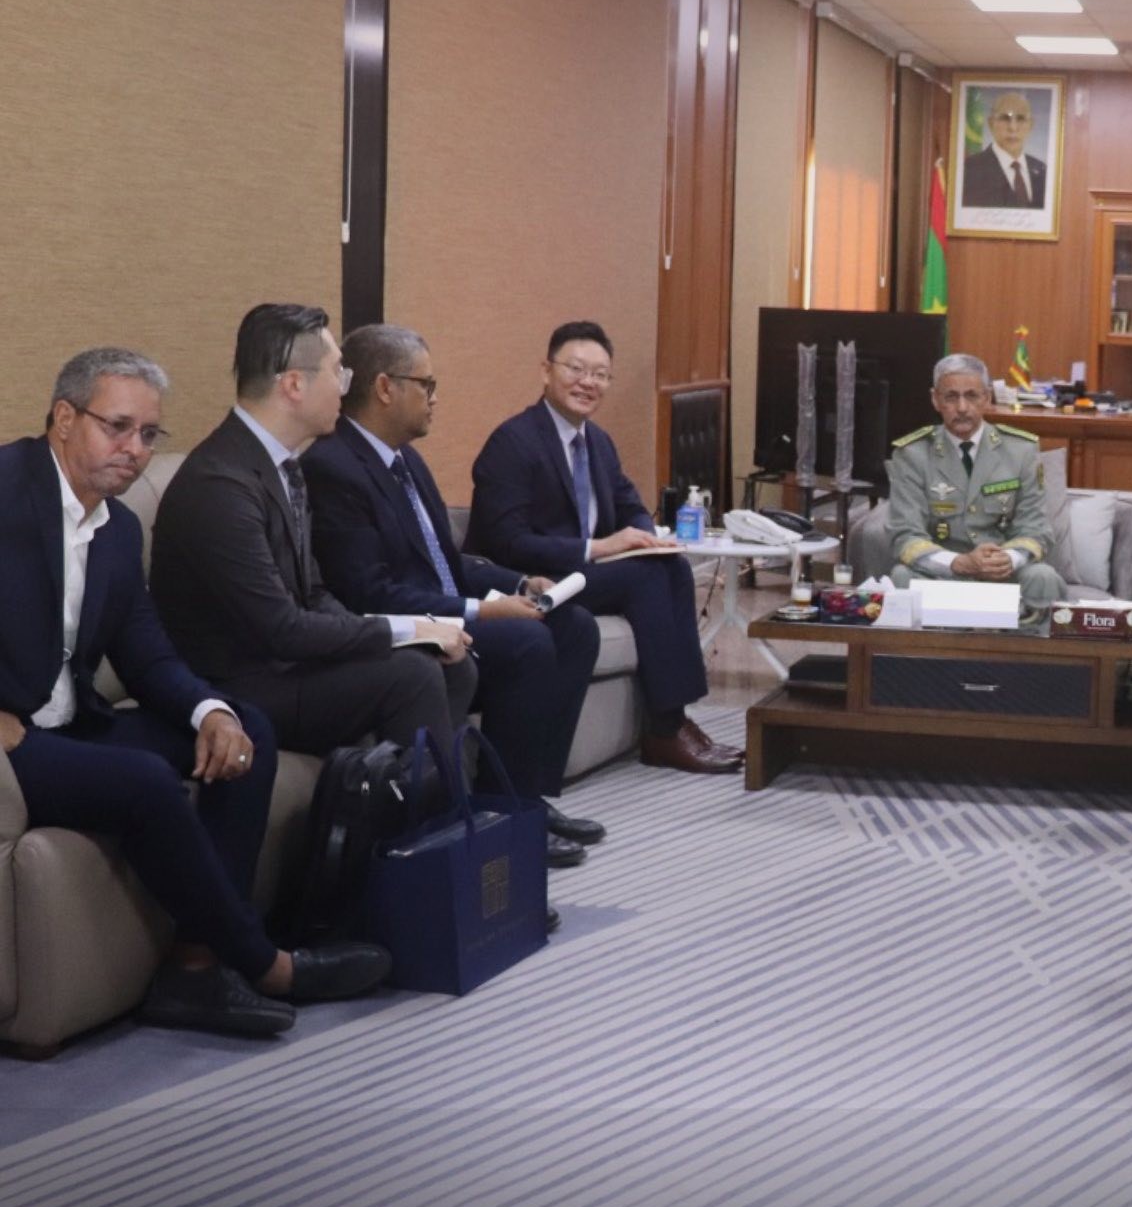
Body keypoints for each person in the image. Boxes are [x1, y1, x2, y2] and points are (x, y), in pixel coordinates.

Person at [0, 348, 388, 1038]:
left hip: (72, 720)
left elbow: (146, 652)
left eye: (149, 434)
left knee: (248, 730)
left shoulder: (118, 528)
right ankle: (266, 964)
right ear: (63, 418)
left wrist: (211, 710)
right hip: (16, 741)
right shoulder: (6, 488)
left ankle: (196, 965)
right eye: (117, 427)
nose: (134, 449)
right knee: (147, 781)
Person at [302, 324, 607, 867]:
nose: (435, 398)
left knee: (575, 626)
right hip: (406, 630)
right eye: (427, 384)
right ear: (385, 387)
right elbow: (367, 589)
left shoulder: (407, 460)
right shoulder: (334, 467)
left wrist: (517, 583)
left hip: (447, 614)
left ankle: (529, 798)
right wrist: (486, 610)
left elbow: (443, 558)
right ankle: (501, 810)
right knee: (526, 642)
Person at [151, 305, 477, 762]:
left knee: (448, 664)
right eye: (337, 373)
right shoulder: (220, 485)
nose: (345, 387)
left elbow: (315, 593)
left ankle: (440, 799)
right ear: (294, 385)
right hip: (238, 684)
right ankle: (415, 804)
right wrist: (406, 628)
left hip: (288, 665)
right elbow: (282, 629)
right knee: (413, 674)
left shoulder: (282, 464)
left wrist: (413, 635)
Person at [465, 321, 739, 774]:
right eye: (576, 369)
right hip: (528, 579)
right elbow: (506, 541)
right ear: (546, 371)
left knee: (670, 565)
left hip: (582, 576)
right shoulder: (513, 442)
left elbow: (631, 506)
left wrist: (647, 538)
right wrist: (597, 547)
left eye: (600, 374)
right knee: (645, 577)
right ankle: (665, 729)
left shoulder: (598, 442)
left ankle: (674, 719)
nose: (587, 383)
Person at [887, 353, 1063, 615]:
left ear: (987, 398)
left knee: (1043, 577)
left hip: (1003, 573)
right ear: (935, 399)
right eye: (951, 397)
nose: (962, 407)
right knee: (902, 577)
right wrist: (958, 563)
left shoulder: (1021, 450)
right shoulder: (912, 455)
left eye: (971, 396)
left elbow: (1035, 529)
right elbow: (906, 535)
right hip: (943, 574)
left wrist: (1006, 559)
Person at [959, 91, 1048, 210]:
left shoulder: (1043, 171)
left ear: (1031, 125)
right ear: (991, 124)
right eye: (1004, 118)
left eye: (1021, 118)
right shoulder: (968, 170)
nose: (1013, 128)